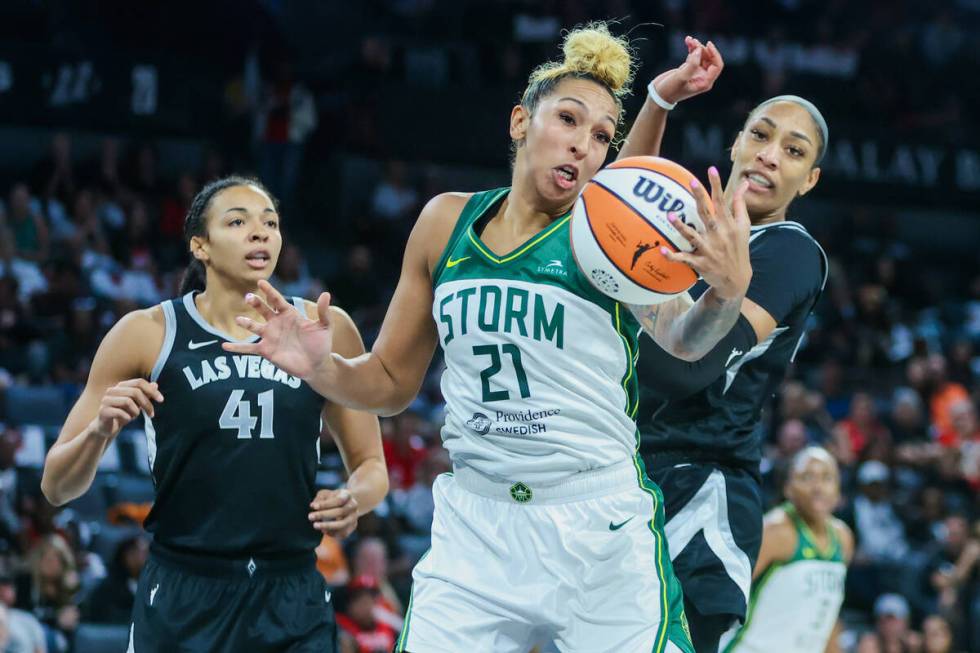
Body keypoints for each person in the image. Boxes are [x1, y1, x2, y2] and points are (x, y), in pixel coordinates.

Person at [227, 22, 753, 652]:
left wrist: (725, 289)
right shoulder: (445, 221)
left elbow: (686, 339)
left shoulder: (605, 247)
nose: (582, 145)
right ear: (519, 123)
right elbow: (391, 384)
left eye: (601, 137)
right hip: (476, 528)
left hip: (598, 527)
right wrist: (321, 368)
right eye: (567, 119)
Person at [39, 176, 388, 652]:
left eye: (270, 222)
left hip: (291, 593)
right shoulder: (146, 333)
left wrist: (353, 497)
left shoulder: (326, 329)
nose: (260, 232)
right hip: (185, 590)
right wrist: (100, 430)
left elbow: (372, 468)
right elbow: (57, 486)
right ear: (199, 245)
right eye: (238, 221)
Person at [620, 35, 831, 651]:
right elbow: (617, 197)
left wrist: (624, 276)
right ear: (736, 142)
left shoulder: (789, 251)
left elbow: (689, 368)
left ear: (808, 179)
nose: (770, 155)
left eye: (793, 151)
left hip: (698, 490)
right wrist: (661, 97)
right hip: (621, 472)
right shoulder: (688, 220)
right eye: (761, 135)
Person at [722, 447, 853, 652]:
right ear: (788, 488)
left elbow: (828, 614)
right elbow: (724, 597)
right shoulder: (775, 532)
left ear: (838, 488)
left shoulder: (843, 538)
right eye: (807, 477)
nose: (818, 487)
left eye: (827, 478)